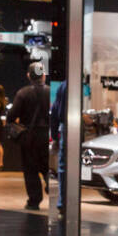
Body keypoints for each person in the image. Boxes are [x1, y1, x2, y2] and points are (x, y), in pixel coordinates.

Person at [7, 61, 51, 210]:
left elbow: (11, 116)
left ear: (28, 76)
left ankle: (34, 201)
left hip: (30, 137)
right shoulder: (51, 92)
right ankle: (51, 186)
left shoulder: (23, 93)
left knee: (31, 169)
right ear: (43, 75)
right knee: (47, 167)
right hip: (47, 135)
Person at [50, 78, 67, 215]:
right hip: (70, 128)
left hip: (65, 128)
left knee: (63, 167)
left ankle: (63, 202)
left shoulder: (63, 86)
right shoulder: (71, 85)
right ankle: (66, 201)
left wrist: (55, 136)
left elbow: (55, 110)